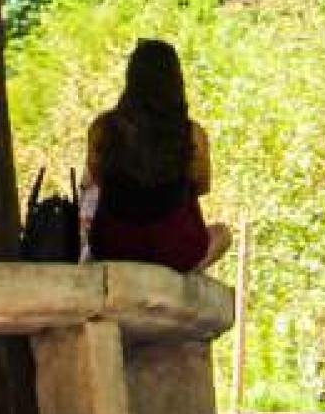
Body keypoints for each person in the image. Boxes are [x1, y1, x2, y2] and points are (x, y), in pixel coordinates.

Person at [82, 39, 230, 273]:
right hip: (174, 250)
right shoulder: (191, 133)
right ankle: (184, 275)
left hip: (114, 246)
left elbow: (97, 177)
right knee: (222, 235)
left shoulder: (103, 128)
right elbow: (202, 185)